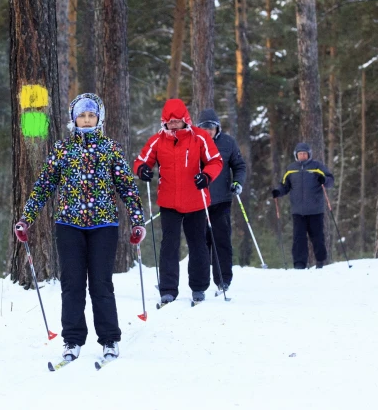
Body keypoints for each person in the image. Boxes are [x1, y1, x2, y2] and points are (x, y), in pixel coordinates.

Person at [13, 93, 146, 362]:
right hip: (69, 226)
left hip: (104, 226)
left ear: (99, 118)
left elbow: (127, 189)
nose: (86, 120)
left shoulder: (110, 148)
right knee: (72, 285)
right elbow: (43, 186)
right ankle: (72, 341)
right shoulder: (63, 150)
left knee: (101, 284)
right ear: (74, 119)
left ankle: (109, 339)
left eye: (91, 115)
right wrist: (26, 218)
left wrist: (137, 221)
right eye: (82, 116)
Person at [133, 99, 223, 304]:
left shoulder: (199, 137)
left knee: (198, 243)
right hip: (169, 201)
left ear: (185, 120)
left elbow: (215, 161)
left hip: (196, 200)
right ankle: (167, 288)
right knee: (169, 244)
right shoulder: (158, 140)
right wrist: (142, 170)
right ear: (163, 121)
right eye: (169, 121)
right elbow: (141, 160)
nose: (173, 124)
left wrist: (207, 176)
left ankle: (199, 287)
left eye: (177, 121)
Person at [196, 109, 246, 292]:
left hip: (221, 200)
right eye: (203, 127)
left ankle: (223, 280)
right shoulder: (193, 142)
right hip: (198, 201)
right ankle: (199, 283)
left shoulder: (227, 142)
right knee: (200, 243)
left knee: (221, 240)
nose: (207, 130)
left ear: (217, 127)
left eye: (211, 127)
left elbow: (239, 166)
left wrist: (237, 182)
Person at [272, 142, 334, 269]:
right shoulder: (291, 169)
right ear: (296, 155)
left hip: (315, 209)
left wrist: (324, 180)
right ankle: (299, 264)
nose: (302, 156)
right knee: (298, 238)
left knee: (317, 237)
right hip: (298, 211)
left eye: (304, 154)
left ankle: (321, 261)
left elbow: (330, 180)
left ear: (309, 155)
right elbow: (284, 185)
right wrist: (278, 191)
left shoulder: (317, 166)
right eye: (300, 154)